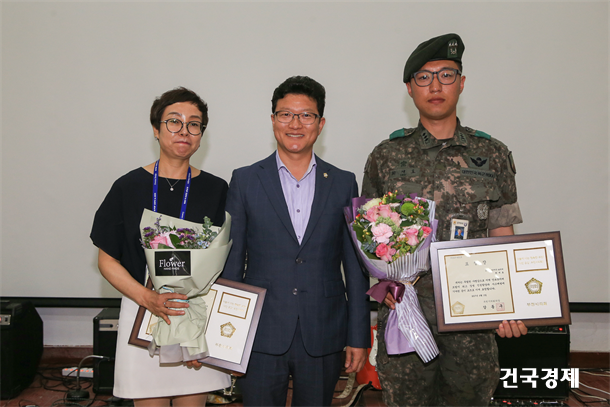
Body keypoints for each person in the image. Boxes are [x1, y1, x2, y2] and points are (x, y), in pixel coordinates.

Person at [361, 34, 528, 406]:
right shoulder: (386, 156)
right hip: (406, 314)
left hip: (473, 322)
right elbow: (370, 237)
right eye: (424, 77)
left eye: (446, 75)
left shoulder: (491, 153)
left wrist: (512, 303)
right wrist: (385, 287)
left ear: (462, 83)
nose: (435, 86)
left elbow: (502, 233)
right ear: (410, 88)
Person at [221, 76, 370, 406]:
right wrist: (227, 337)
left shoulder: (343, 182)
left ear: (321, 123)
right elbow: (232, 262)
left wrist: (359, 336)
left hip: (324, 330)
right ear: (273, 120)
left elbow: (355, 267)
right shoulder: (245, 180)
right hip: (260, 332)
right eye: (286, 114)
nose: (295, 124)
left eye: (306, 115)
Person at [90, 87, 231, 406]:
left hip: (194, 313)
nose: (184, 130)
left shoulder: (216, 189)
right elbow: (107, 260)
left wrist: (204, 330)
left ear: (201, 134)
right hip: (143, 311)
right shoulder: (128, 187)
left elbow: (223, 263)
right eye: (174, 121)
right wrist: (148, 298)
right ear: (156, 129)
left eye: (194, 124)